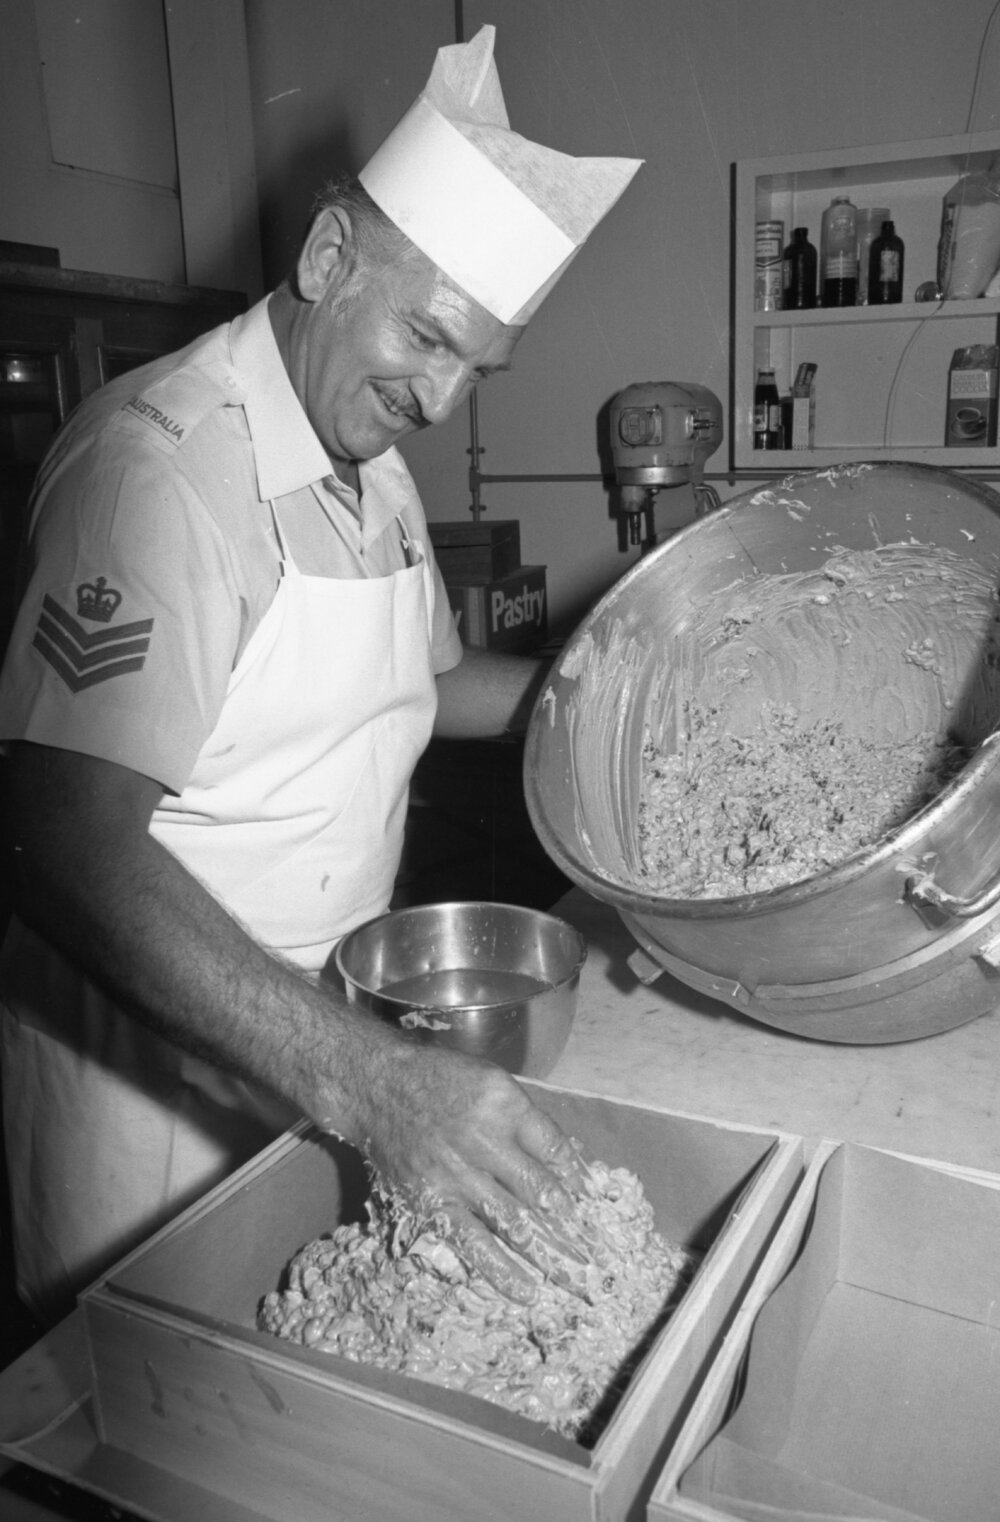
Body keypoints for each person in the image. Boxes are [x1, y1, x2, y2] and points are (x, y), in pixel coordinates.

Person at [0, 26, 641, 1323]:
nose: (445, 397)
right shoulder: (163, 474)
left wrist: (599, 690)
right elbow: (59, 836)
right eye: (428, 336)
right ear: (328, 255)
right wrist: (368, 1080)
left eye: (478, 365)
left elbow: (417, 685)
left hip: (320, 1061)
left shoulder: (376, 471)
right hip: (161, 1089)